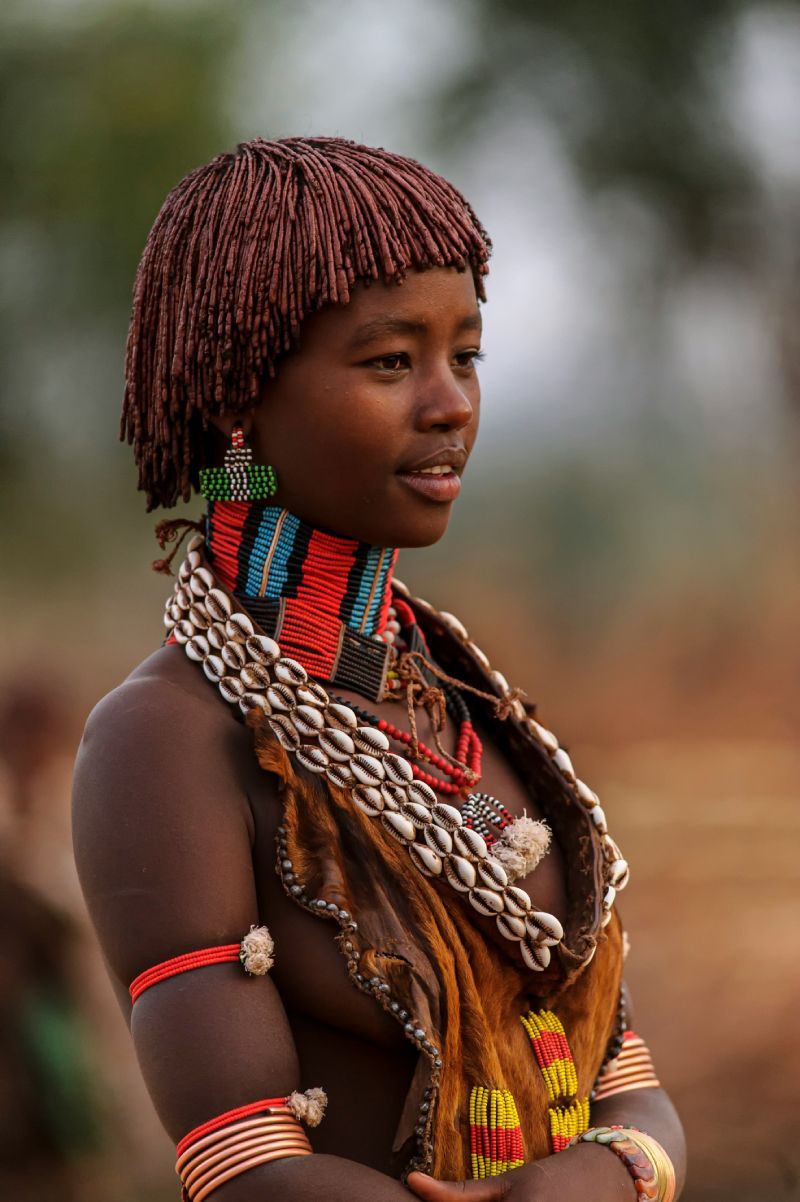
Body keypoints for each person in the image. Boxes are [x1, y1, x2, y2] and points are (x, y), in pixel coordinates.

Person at [72, 136, 685, 1202]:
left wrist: (598, 1175)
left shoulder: (456, 700)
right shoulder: (165, 740)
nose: (449, 404)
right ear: (238, 398)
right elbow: (243, 1164)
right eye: (391, 361)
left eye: (467, 355)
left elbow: (626, 1082)